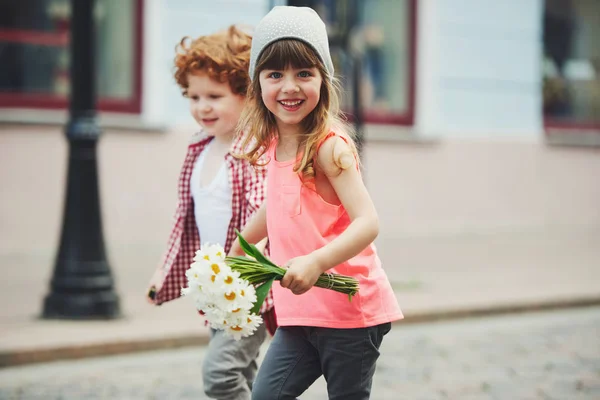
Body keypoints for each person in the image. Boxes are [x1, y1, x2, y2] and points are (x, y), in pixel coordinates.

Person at [229, 6, 403, 400]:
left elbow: (368, 221)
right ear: (257, 84)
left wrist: (316, 262)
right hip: (299, 313)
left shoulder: (328, 146)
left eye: (304, 73)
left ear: (323, 81)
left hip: (349, 312)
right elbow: (277, 206)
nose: (289, 86)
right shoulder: (275, 144)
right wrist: (240, 248)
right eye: (275, 74)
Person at [145, 25, 276, 400]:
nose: (202, 106)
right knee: (245, 376)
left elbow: (263, 216)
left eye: (214, 96)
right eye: (193, 95)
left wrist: (250, 268)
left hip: (248, 288)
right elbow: (184, 222)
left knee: (220, 375)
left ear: (248, 95)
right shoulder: (198, 148)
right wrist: (161, 273)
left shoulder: (254, 152)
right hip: (215, 289)